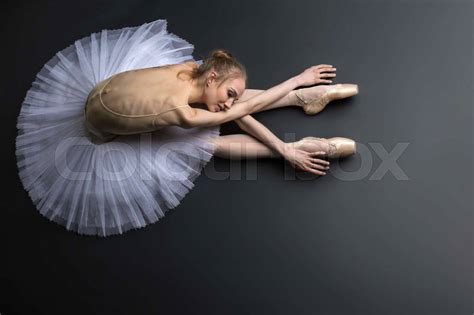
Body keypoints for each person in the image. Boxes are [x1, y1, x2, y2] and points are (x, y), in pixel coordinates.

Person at [16, 19, 358, 237]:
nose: (229, 100)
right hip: (104, 129)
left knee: (222, 116)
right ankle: (305, 127)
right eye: (227, 91)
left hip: (105, 91)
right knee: (201, 142)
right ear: (212, 75)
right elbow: (242, 110)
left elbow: (240, 108)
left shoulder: (187, 69)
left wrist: (283, 137)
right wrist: (286, 133)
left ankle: (303, 103)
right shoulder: (182, 113)